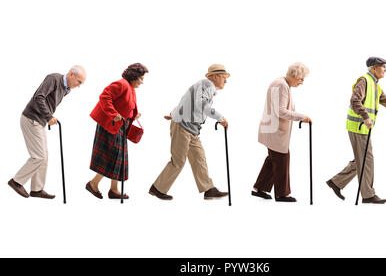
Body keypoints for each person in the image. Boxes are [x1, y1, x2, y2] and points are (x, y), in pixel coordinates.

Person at [326, 57, 386, 204]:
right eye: (383, 67)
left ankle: (336, 182)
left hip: (363, 128)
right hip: (358, 127)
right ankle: (368, 195)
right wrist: (365, 117)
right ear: (373, 68)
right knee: (367, 160)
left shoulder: (375, 85)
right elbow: (354, 100)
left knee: (362, 159)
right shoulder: (364, 81)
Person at [149, 64, 230, 201]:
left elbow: (186, 101)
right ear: (214, 76)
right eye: (223, 77)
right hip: (183, 126)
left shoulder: (203, 86)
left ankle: (209, 189)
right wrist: (220, 118)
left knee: (199, 158)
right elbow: (202, 105)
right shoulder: (206, 85)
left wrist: (173, 113)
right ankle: (157, 188)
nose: (226, 81)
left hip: (191, 128)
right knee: (178, 161)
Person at [8, 66, 87, 199]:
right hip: (31, 119)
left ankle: (37, 189)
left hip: (40, 121)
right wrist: (49, 116)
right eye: (79, 81)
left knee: (44, 157)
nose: (79, 86)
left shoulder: (66, 89)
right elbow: (39, 97)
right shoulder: (53, 79)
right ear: (71, 74)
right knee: (39, 156)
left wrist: (48, 117)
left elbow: (49, 101)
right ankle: (16, 181)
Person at [86, 63, 148, 199]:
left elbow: (124, 105)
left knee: (119, 158)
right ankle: (93, 184)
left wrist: (132, 115)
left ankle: (114, 189)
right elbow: (104, 97)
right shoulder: (122, 84)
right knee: (112, 156)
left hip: (119, 126)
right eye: (141, 79)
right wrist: (113, 113)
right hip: (109, 124)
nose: (142, 82)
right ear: (134, 76)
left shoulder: (131, 88)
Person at [252, 62, 312, 203]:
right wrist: (301, 117)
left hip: (273, 129)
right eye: (301, 79)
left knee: (273, 159)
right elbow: (281, 111)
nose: (302, 82)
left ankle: (259, 188)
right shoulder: (281, 85)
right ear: (294, 75)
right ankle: (282, 194)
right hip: (274, 130)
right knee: (281, 159)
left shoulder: (282, 84)